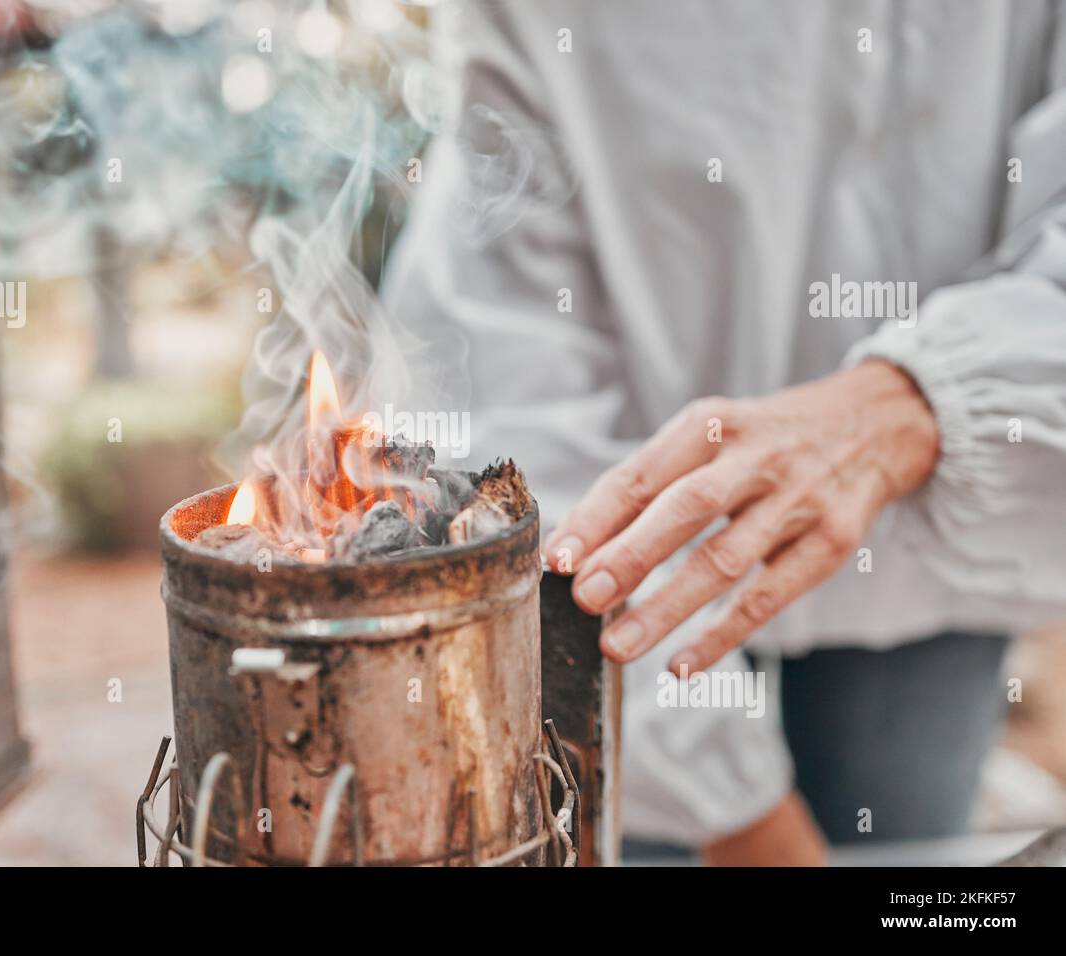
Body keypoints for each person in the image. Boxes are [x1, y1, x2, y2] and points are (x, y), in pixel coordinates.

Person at [382, 1, 1066, 864]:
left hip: (930, 558)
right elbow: (503, 379)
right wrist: (733, 810)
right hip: (635, 603)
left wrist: (920, 402)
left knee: (907, 846)